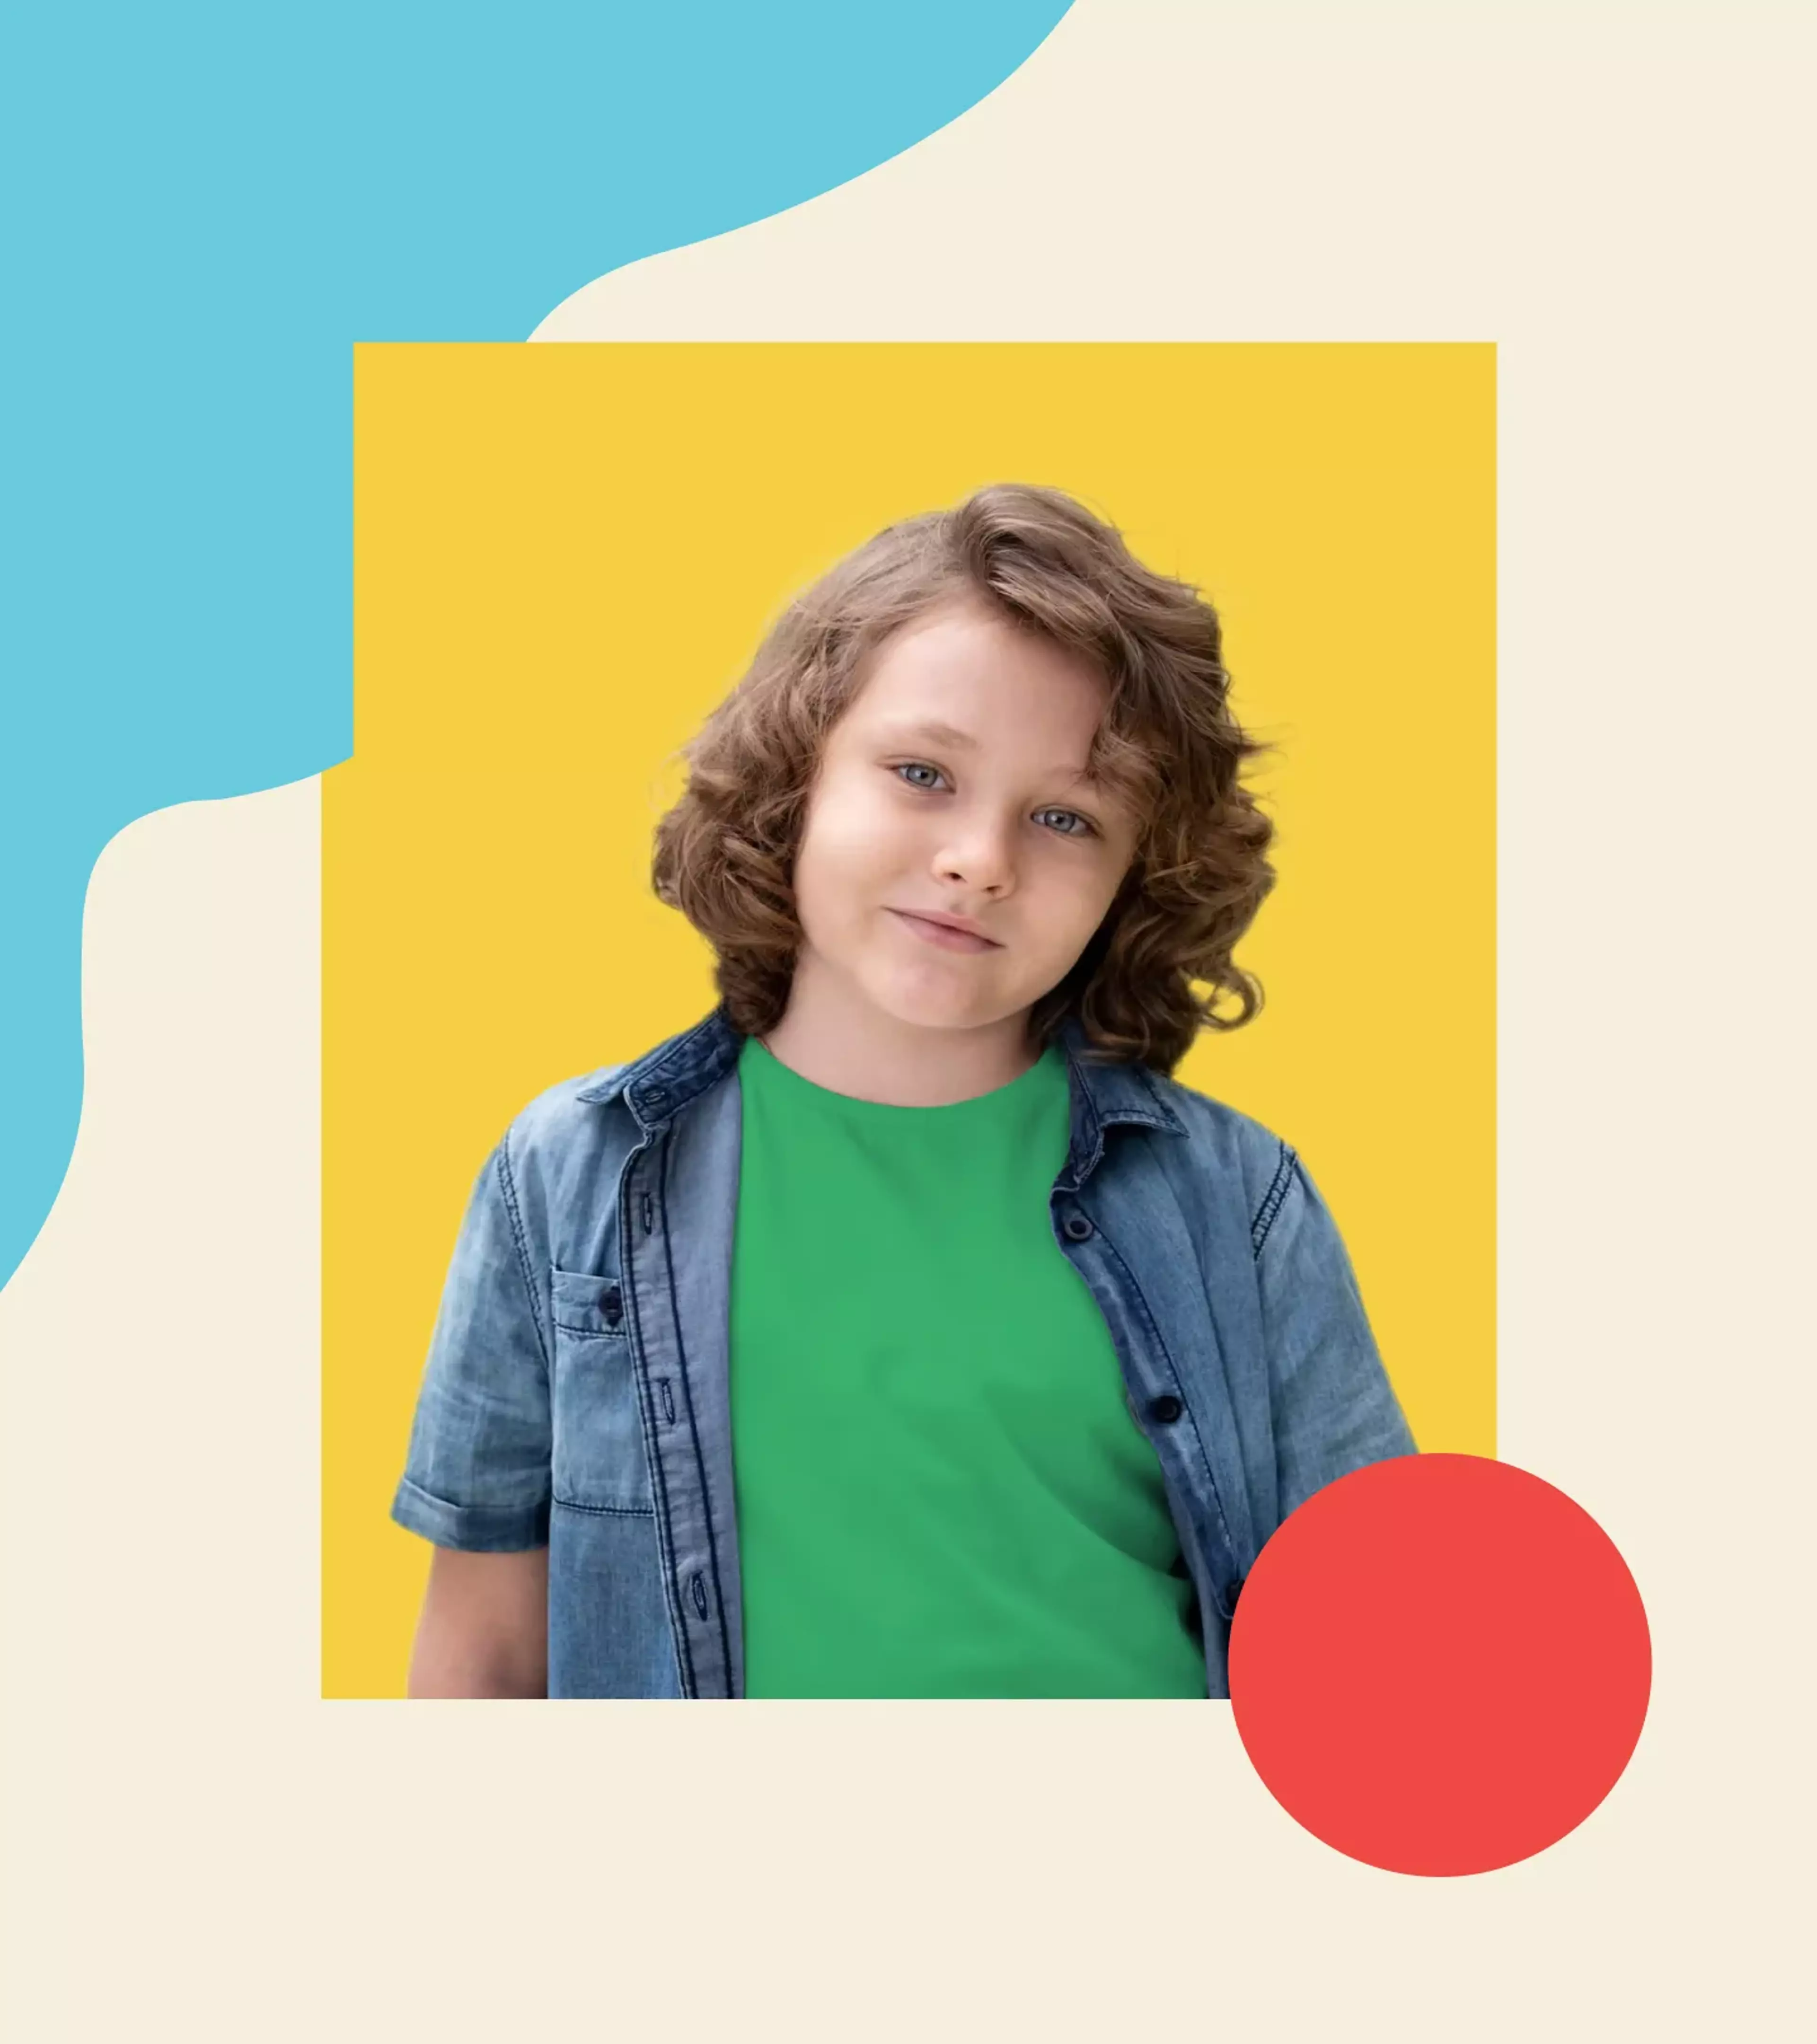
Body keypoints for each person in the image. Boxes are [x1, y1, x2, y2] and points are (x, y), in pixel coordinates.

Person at [390, 482, 1417, 1700]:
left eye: (1064, 817)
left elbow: (1377, 1636)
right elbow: (485, 1652)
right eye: (923, 772)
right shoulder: (573, 1174)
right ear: (798, 780)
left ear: (1136, 875)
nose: (980, 861)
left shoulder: (1235, 1201)